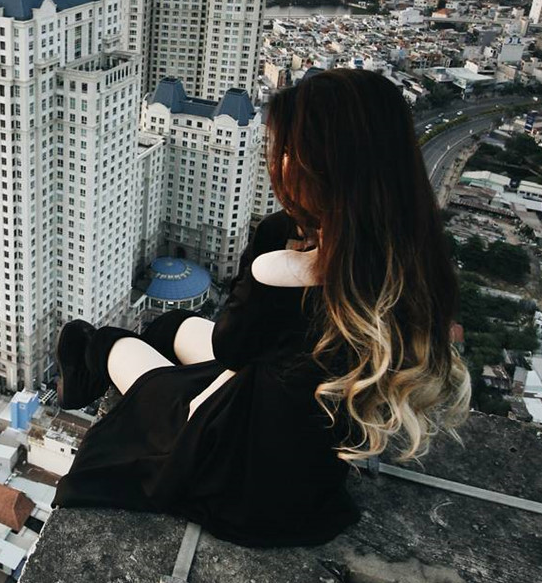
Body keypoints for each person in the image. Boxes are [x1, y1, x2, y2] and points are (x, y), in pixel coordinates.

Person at [51, 69, 471, 548]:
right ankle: (113, 362)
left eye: (289, 150)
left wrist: (268, 252)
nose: (280, 162)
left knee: (109, 344)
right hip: (309, 474)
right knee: (172, 325)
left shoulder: (286, 263)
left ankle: (90, 352)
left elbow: (233, 347)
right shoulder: (413, 259)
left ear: (322, 166)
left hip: (240, 469)